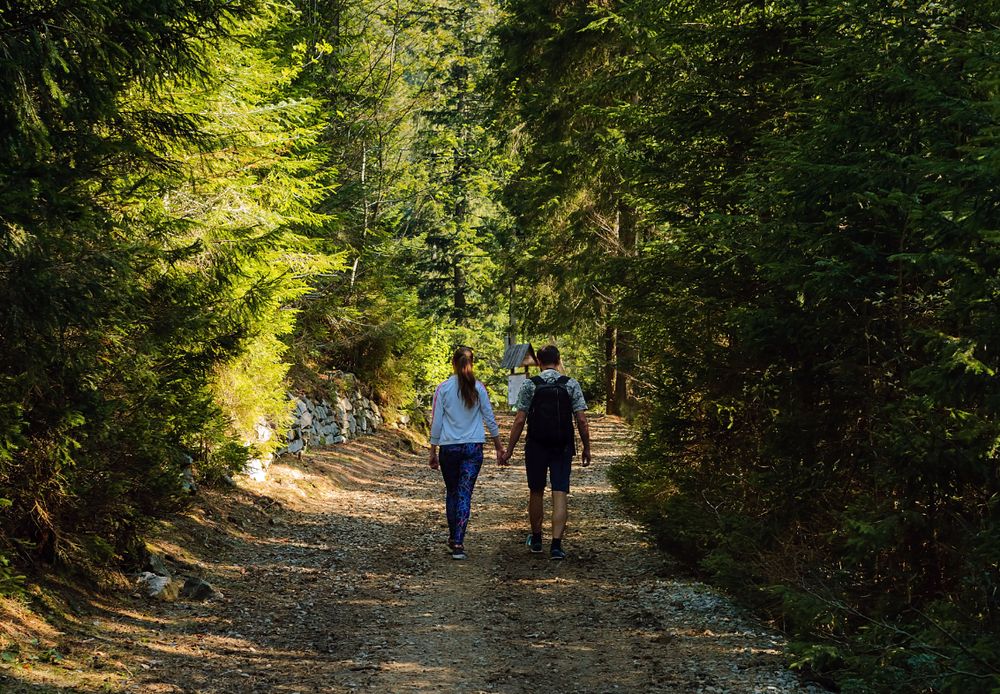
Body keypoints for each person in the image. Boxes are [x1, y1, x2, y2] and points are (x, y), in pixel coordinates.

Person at [502, 345, 591, 560]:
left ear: (539, 362)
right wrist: (587, 447)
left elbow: (520, 419)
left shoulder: (530, 385)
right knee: (559, 491)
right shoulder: (571, 384)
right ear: (558, 360)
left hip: (536, 445)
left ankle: (537, 539)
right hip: (562, 445)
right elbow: (581, 419)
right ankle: (557, 545)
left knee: (536, 491)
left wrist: (509, 450)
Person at [429, 346, 506, 560]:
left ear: (453, 363)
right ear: (472, 363)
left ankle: (454, 538)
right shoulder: (479, 388)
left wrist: (432, 450)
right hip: (473, 447)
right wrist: (499, 447)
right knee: (464, 493)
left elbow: (436, 422)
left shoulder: (443, 388)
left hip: (449, 447)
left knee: (452, 492)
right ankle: (459, 543)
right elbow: (489, 418)